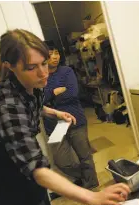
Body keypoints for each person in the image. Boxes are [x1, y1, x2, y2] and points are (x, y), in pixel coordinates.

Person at [0, 29, 130, 205]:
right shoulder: (5, 104)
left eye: (44, 63)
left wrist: (56, 113)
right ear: (10, 67)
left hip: (24, 147)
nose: (43, 73)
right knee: (34, 198)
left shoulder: (30, 83)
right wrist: (91, 197)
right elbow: (35, 168)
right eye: (31, 67)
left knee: (41, 194)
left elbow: (34, 105)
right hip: (6, 160)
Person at [43, 41, 99, 189]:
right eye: (50, 54)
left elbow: (72, 94)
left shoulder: (66, 71)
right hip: (54, 125)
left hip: (75, 120)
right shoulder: (40, 75)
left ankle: (92, 185)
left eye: (57, 53)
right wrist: (54, 92)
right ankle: (86, 175)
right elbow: (37, 100)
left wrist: (49, 99)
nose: (55, 57)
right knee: (61, 161)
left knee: (85, 156)